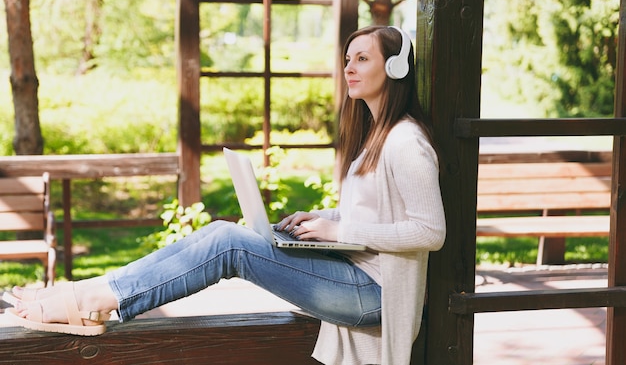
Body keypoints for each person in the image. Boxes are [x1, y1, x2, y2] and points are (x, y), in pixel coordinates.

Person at [4, 25, 446, 365]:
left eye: (362, 59)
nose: (348, 67)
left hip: (373, 293)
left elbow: (430, 232)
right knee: (221, 231)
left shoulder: (407, 142)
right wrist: (319, 217)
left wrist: (340, 228)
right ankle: (89, 293)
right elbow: (377, 213)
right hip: (354, 278)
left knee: (228, 244)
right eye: (347, 58)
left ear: (394, 69)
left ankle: (93, 302)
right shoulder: (376, 137)